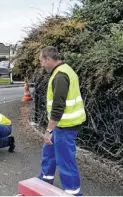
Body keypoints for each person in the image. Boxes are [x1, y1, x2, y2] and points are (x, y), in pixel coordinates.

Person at [37, 46, 86, 196]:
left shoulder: (60, 76)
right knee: (49, 153)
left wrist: (48, 130)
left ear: (48, 59)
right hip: (61, 125)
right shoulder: (64, 70)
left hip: (65, 126)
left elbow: (58, 107)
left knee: (65, 162)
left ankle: (73, 193)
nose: (41, 65)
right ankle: (44, 182)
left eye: (42, 61)